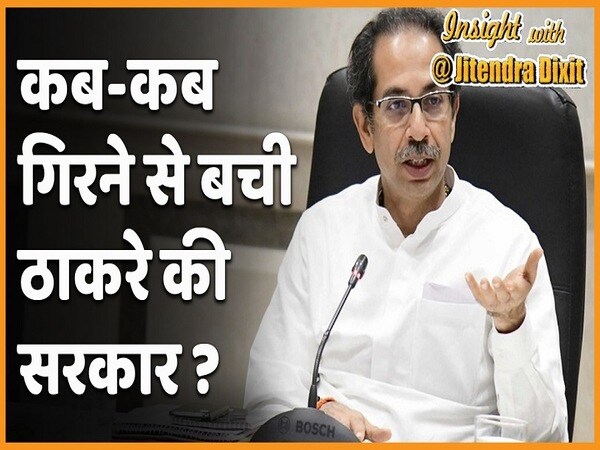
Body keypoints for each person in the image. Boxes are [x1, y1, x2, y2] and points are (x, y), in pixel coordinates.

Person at [244, 8, 567, 442]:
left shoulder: (508, 245)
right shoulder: (322, 230)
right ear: (365, 127)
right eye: (396, 106)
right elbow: (266, 392)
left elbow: (548, 436)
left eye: (433, 102)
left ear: (453, 113)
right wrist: (319, 412)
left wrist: (511, 326)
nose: (418, 130)